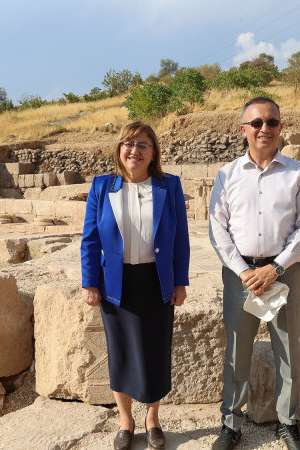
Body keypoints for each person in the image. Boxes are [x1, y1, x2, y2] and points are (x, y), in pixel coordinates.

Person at [208, 97, 300, 450]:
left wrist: (276, 267)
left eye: (271, 122)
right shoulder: (226, 175)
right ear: (243, 129)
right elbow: (217, 228)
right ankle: (231, 423)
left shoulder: (297, 173)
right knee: (237, 350)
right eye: (256, 123)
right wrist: (243, 271)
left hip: (284, 273)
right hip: (239, 274)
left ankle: (288, 422)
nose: (264, 129)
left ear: (280, 127)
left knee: (288, 349)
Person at [81, 121, 190, 450]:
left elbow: (181, 240)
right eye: (128, 144)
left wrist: (180, 281)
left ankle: (153, 418)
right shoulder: (102, 187)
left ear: (153, 152)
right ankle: (126, 420)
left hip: (157, 281)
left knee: (156, 351)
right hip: (115, 282)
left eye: (143, 144)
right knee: (122, 353)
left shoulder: (168, 186)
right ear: (119, 149)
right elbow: (90, 241)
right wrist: (90, 283)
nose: (135, 150)